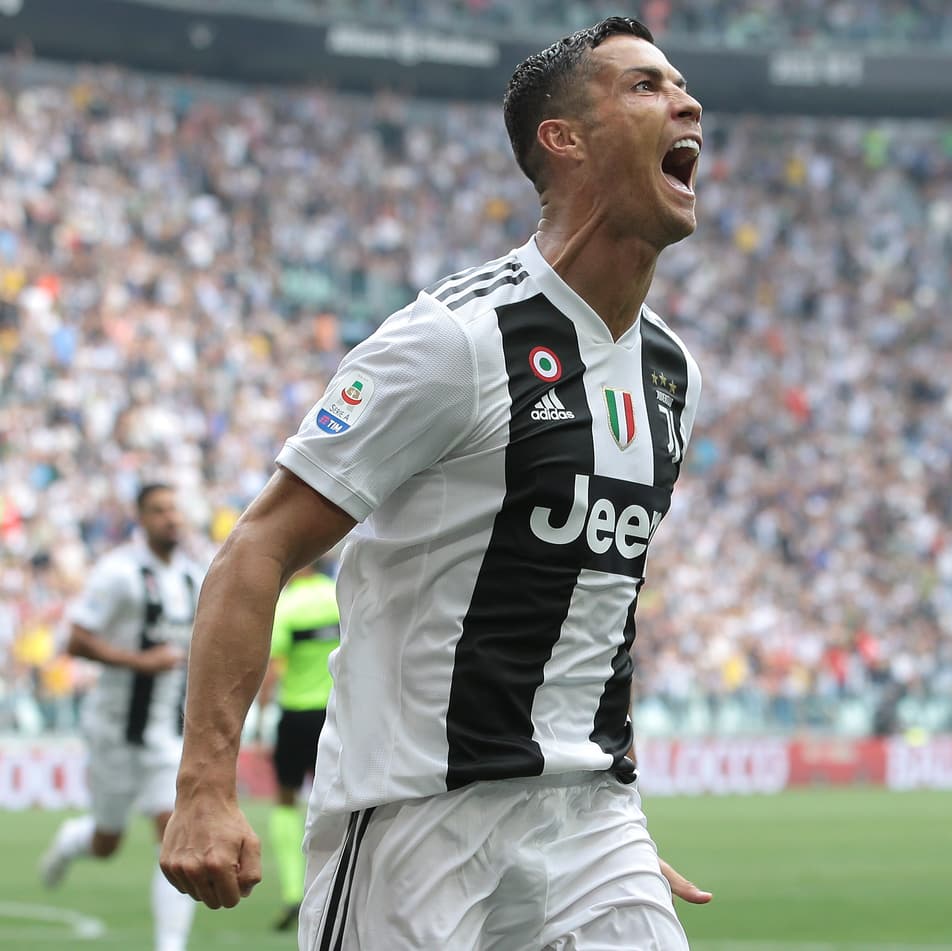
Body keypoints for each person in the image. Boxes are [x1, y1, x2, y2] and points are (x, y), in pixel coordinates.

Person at [161, 16, 712, 950]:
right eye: (645, 86)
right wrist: (205, 786)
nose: (686, 100)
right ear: (564, 139)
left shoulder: (672, 373)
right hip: (417, 818)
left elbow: (594, 608)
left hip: (591, 826)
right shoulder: (454, 340)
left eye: (680, 85)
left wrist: (578, 816)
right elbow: (258, 547)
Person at [39, 483, 204, 951]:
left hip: (165, 733)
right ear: (140, 518)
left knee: (172, 832)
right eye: (159, 510)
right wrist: (139, 662)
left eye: (175, 508)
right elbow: (75, 640)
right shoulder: (118, 573)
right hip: (113, 729)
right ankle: (74, 840)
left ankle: (170, 944)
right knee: (106, 842)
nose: (170, 518)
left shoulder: (194, 577)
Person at [255, 559, 342, 932]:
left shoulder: (288, 605)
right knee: (335, 800)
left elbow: (273, 669)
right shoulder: (337, 596)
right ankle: (335, 884)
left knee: (285, 799)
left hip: (295, 716)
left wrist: (260, 724)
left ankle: (294, 890)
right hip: (337, 713)